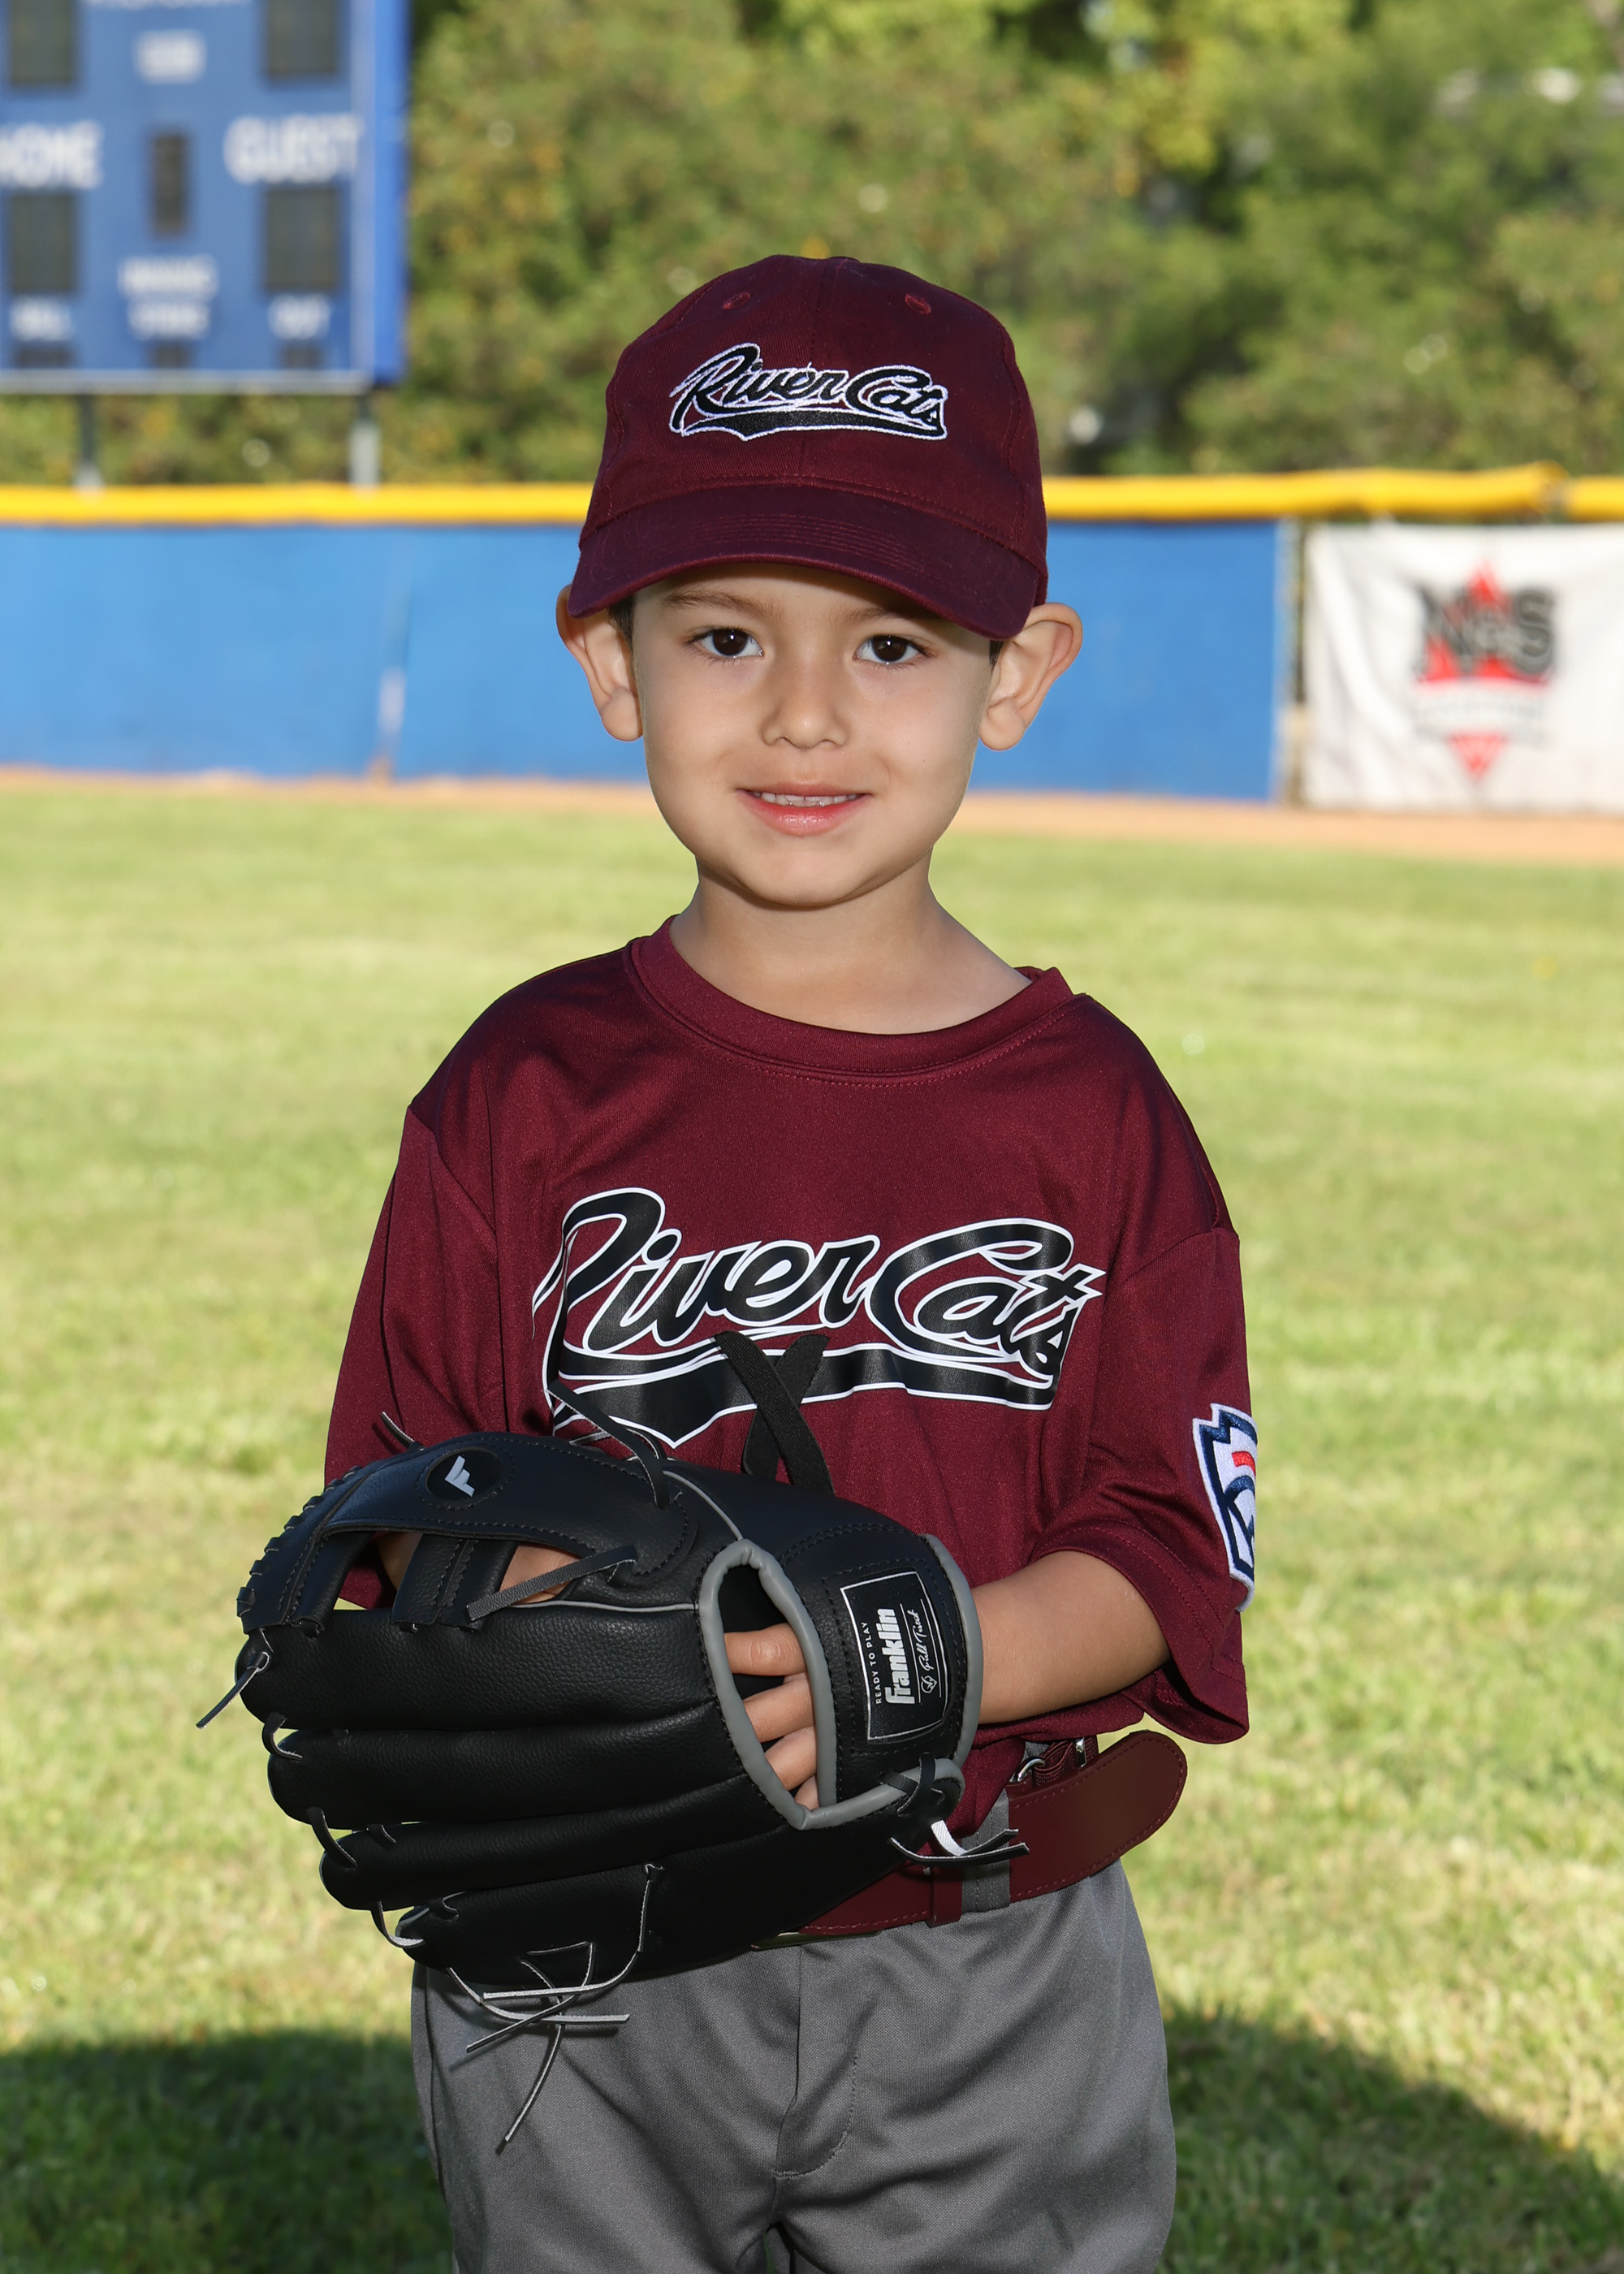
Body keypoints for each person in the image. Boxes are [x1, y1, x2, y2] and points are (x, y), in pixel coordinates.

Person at [325, 254, 1254, 2274]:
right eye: (727, 633)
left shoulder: (1095, 1113)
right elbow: (400, 1504)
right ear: (612, 660)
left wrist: (912, 1660)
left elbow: (1169, 1555)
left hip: (988, 1955)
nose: (807, 710)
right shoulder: (520, 1089)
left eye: (893, 640)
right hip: (587, 1946)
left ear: (1016, 672)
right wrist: (592, 1635)